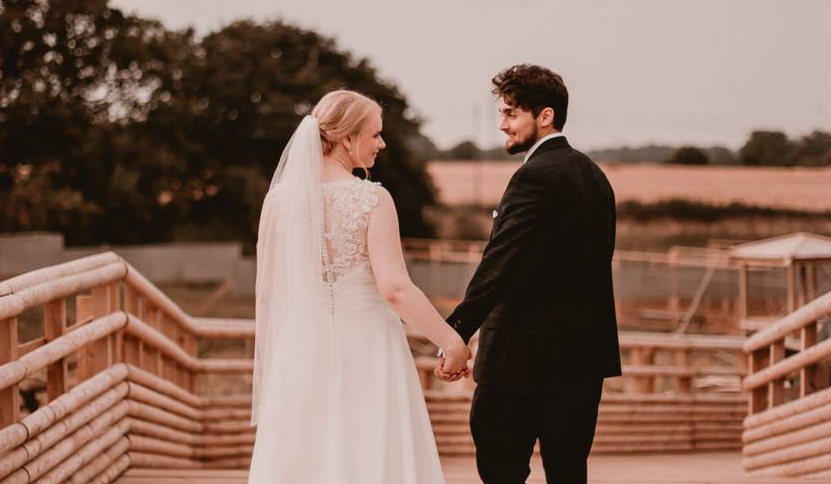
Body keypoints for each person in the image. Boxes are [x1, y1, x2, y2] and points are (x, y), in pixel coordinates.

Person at [247, 90, 471, 483]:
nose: (382, 143)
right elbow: (396, 289)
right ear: (348, 139)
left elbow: (265, 294)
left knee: (308, 453)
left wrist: (277, 364)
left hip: (299, 348)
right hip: (367, 348)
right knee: (368, 448)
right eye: (375, 134)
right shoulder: (372, 199)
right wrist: (451, 342)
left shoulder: (278, 201)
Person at [439, 64, 622, 484]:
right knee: (568, 471)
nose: (502, 124)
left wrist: (457, 330)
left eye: (511, 114)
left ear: (545, 116)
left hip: (519, 361)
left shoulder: (532, 178)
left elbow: (500, 262)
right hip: (582, 359)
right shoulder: (596, 178)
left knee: (500, 470)